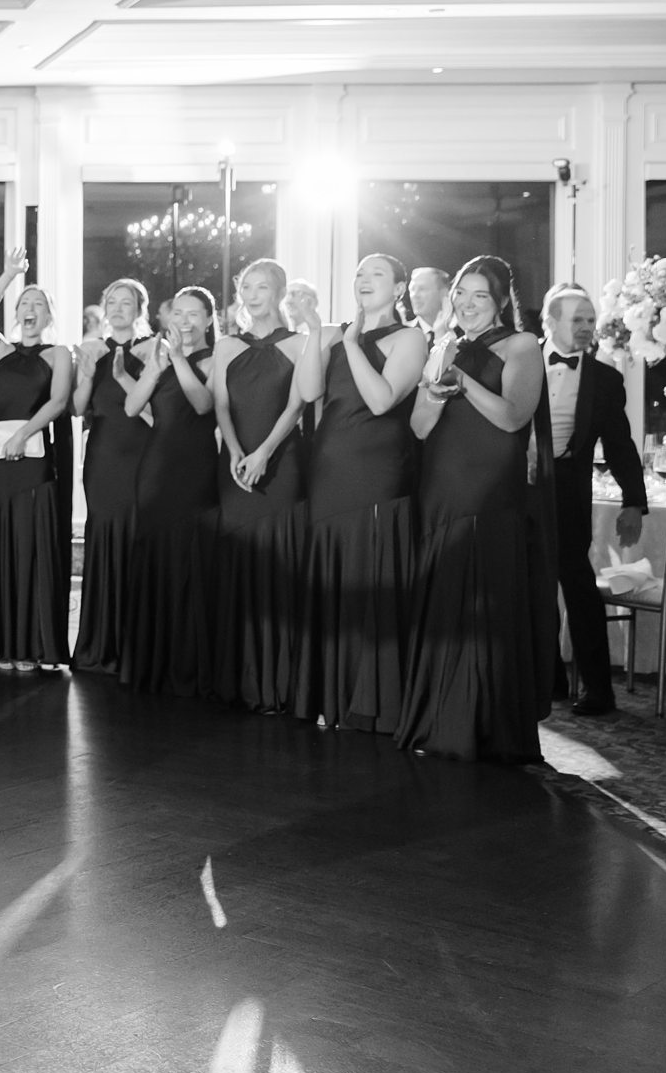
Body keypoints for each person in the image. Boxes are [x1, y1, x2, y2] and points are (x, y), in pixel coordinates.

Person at [398, 255, 555, 762]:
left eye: (479, 296)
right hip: (442, 487)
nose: (466, 303)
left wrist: (465, 383)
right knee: (445, 602)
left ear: (502, 300)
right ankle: (440, 720)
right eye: (461, 293)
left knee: (486, 606)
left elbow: (513, 418)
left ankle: (488, 727)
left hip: (491, 492)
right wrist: (438, 390)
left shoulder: (522, 345)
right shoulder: (445, 345)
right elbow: (420, 427)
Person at [301, 253, 425, 731]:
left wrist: (352, 344)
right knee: (334, 579)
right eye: (358, 274)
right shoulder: (333, 334)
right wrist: (317, 332)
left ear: (398, 288)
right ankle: (333, 695)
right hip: (330, 469)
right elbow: (310, 392)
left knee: (369, 577)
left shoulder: (409, 337)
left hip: (378, 472)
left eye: (376, 274)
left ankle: (373, 705)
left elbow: (381, 399)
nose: (363, 280)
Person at [0, 249, 75, 670]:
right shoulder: (0, 351)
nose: (29, 309)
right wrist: (10, 274)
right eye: (24, 304)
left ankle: (31, 646)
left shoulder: (58, 354)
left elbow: (59, 401)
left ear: (49, 316)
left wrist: (24, 434)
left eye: (38, 305)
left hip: (33, 458)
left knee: (30, 544)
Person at [211, 258, 317, 711]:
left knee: (278, 564)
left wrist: (264, 453)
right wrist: (235, 452)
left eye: (262, 288)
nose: (253, 296)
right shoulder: (226, 346)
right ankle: (239, 681)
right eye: (246, 288)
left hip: (282, 462)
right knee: (237, 565)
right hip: (233, 466)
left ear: (278, 293)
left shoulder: (301, 343)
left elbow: (297, 407)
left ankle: (280, 685)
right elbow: (220, 405)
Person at [539, 283, 645, 718]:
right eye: (576, 319)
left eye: (589, 319)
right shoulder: (521, 360)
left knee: (578, 586)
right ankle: (548, 680)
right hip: (520, 486)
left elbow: (620, 445)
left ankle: (599, 690)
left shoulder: (605, 378)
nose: (586, 328)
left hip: (569, 487)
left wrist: (633, 501)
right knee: (531, 585)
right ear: (550, 322)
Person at [116, 288, 220, 695]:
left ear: (209, 320)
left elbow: (202, 405)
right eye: (179, 312)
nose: (185, 321)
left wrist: (178, 359)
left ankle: (189, 665)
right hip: (155, 466)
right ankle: (151, 662)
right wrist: (155, 369)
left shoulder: (215, 358)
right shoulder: (157, 358)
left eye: (194, 314)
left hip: (194, 468)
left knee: (189, 558)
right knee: (154, 556)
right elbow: (131, 408)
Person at [71, 278, 154, 673]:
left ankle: (136, 647)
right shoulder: (91, 349)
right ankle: (99, 644)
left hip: (142, 455)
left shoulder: (154, 348)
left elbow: (158, 409)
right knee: (103, 538)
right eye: (113, 302)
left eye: (127, 303)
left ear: (140, 309)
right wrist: (86, 373)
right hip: (102, 457)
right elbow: (76, 408)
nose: (119, 309)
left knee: (138, 538)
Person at [409, 266, 452, 337]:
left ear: (444, 293)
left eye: (422, 289)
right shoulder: (400, 335)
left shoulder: (463, 332)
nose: (415, 295)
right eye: (412, 289)